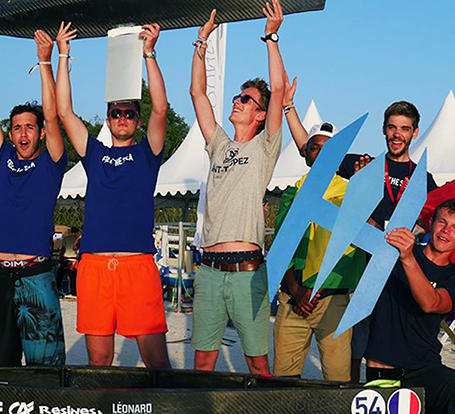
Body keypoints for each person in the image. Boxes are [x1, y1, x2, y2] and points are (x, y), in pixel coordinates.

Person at [55, 22, 171, 368]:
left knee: (155, 360)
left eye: (129, 113)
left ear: (137, 121)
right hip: (94, 267)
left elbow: (161, 109)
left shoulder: (147, 154)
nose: (122, 117)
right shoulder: (94, 153)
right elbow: (64, 112)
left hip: (138, 266)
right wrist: (63, 55)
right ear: (107, 119)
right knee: (99, 360)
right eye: (116, 113)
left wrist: (149, 54)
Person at [189, 1, 286, 374]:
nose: (236, 100)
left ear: (260, 114)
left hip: (248, 271)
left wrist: (271, 38)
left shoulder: (264, 147)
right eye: (236, 96)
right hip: (209, 270)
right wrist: (201, 43)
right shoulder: (219, 144)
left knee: (258, 364)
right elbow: (198, 94)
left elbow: (278, 90)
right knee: (203, 363)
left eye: (245, 99)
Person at [0, 23, 67, 367]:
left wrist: (45, 62)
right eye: (17, 127)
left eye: (30, 127)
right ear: (11, 134)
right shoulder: (4, 158)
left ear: (41, 133)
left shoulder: (51, 162)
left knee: (45, 369)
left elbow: (52, 114)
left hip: (36, 275)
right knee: (2, 364)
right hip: (2, 275)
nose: (23, 133)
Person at [366, 198, 455, 414]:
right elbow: (361, 226)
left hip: (425, 370)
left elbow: (431, 303)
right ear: (430, 223)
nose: (446, 231)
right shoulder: (393, 252)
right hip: (383, 373)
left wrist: (407, 258)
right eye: (442, 222)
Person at [344, 101, 439, 382]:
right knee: (358, 340)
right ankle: (354, 392)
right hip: (365, 268)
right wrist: (288, 107)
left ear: (415, 132)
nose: (397, 134)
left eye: (405, 129)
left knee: (393, 341)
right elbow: (312, 153)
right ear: (384, 130)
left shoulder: (423, 179)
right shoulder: (364, 166)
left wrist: (414, 233)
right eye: (392, 127)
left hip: (400, 271)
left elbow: (432, 221)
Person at [273, 117, 367, 381]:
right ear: (306, 154)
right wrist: (296, 290)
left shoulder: (350, 192)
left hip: (333, 301)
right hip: (293, 299)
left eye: (329, 150)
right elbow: (281, 248)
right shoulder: (293, 193)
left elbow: (355, 249)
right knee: (283, 383)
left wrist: (316, 291)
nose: (321, 154)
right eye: (315, 148)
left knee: (337, 381)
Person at [56, 226, 80, 295]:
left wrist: (60, 259)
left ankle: (58, 289)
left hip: (65, 258)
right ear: (76, 233)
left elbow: (63, 249)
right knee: (73, 277)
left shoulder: (66, 239)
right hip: (73, 260)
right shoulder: (77, 239)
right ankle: (73, 292)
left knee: (60, 275)